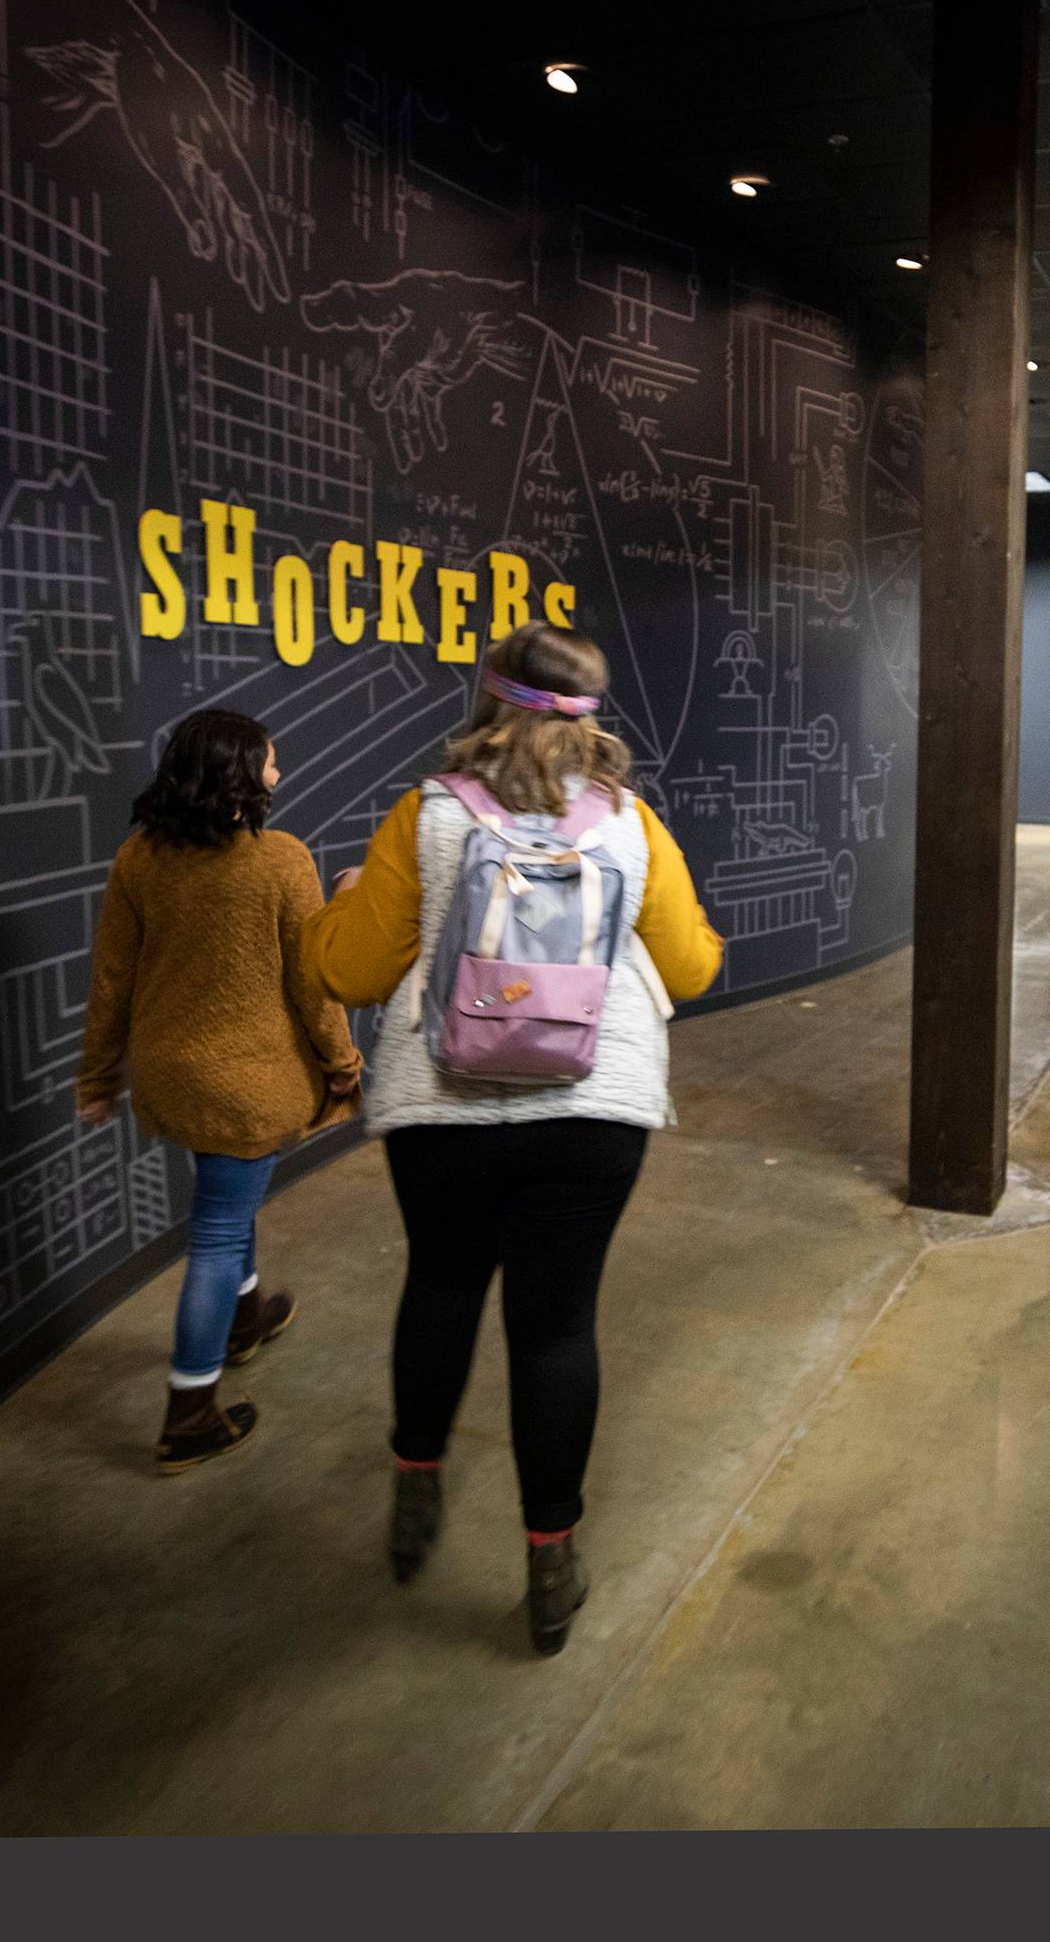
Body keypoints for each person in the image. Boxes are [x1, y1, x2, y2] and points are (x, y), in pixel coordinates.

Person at [304, 622, 722, 1655]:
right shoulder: (631, 823)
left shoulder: (429, 814)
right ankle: (550, 1560)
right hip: (594, 1111)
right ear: (590, 715)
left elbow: (348, 974)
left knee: (443, 1283)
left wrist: (344, 906)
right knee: (556, 1326)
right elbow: (694, 967)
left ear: (488, 700)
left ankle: (415, 1485)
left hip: (440, 1106)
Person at [77, 709, 362, 1473]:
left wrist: (99, 1076)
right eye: (270, 764)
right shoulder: (281, 862)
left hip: (171, 1074)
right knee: (216, 1231)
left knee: (223, 1204)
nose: (279, 775)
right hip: (249, 1080)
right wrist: (343, 1063)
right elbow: (313, 982)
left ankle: (244, 1320)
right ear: (240, 777)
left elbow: (112, 979)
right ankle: (190, 1411)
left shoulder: (138, 858)